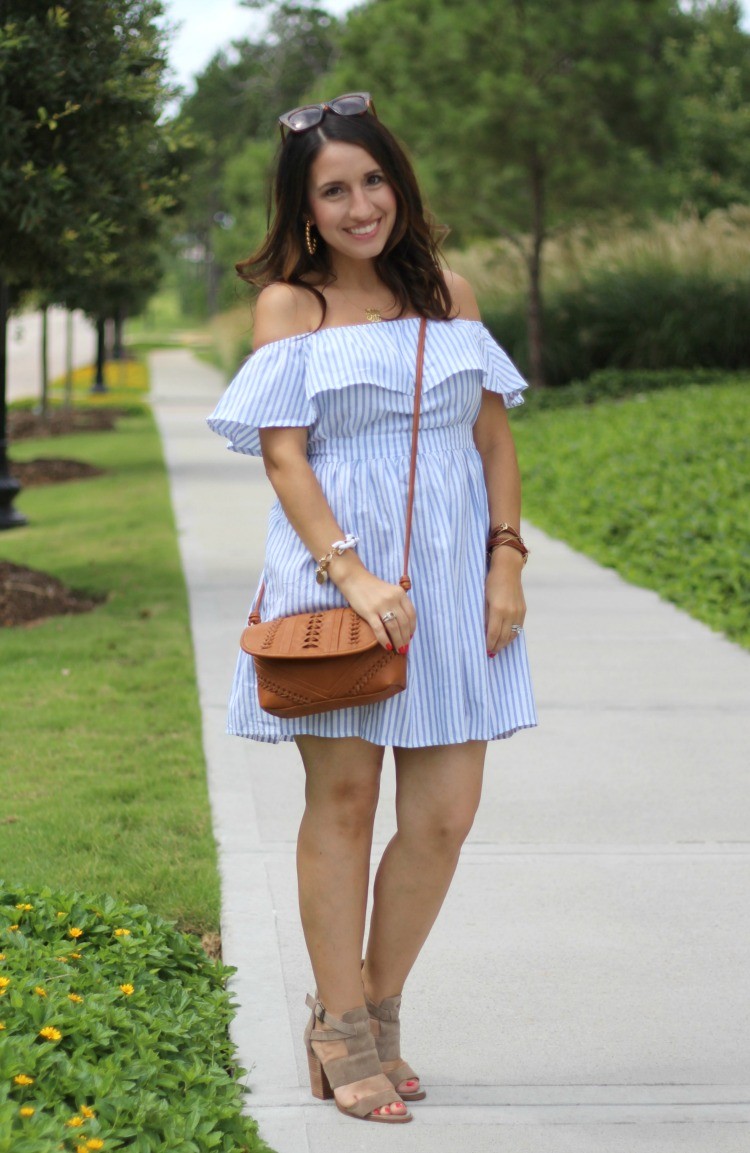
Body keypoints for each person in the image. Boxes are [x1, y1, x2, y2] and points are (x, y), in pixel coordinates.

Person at [207, 92, 537, 1125]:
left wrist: (506, 560)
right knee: (343, 807)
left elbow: (491, 442)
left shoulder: (452, 295)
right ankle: (342, 1029)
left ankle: (376, 1012)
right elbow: (283, 454)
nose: (361, 206)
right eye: (334, 190)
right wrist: (352, 575)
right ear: (305, 211)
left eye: (373, 180)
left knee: (443, 816)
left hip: (451, 578)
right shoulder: (291, 309)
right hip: (335, 578)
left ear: (400, 182)